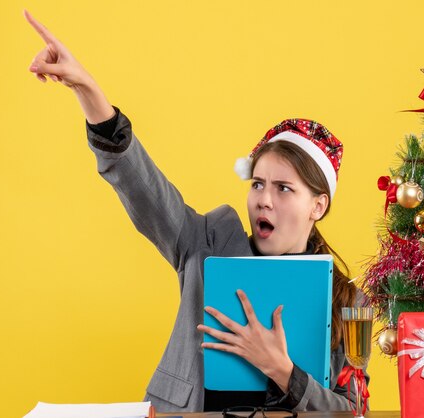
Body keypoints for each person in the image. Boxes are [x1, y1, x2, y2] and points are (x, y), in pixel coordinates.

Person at [24, 10, 369, 413]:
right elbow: (146, 190)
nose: (264, 199)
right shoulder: (205, 243)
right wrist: (89, 92)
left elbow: (352, 410)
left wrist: (283, 371)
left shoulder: (349, 301)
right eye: (257, 184)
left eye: (284, 188)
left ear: (318, 205)